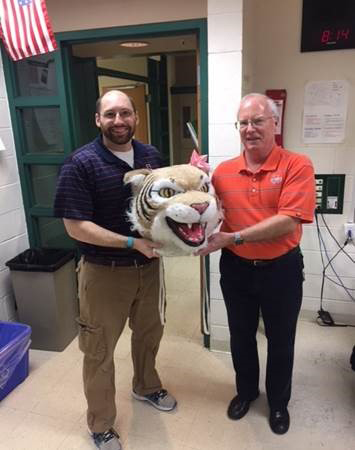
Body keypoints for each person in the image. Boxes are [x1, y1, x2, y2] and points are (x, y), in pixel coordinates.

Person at [54, 90, 176, 450]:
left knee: (149, 332)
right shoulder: (81, 163)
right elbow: (75, 226)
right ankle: (101, 424)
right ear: (98, 120)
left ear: (136, 117)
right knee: (99, 350)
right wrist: (129, 243)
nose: (118, 121)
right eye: (110, 115)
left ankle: (146, 385)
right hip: (103, 273)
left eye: (125, 113)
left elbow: (164, 203)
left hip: (148, 269)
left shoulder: (152, 156)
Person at [198, 93, 315, 434]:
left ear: (275, 124)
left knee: (281, 339)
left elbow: (289, 220)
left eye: (258, 121)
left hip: (281, 270)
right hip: (236, 271)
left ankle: (278, 403)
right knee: (241, 336)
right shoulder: (223, 172)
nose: (249, 129)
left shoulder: (296, 165)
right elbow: (208, 210)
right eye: (244, 123)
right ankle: (246, 392)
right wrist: (197, 179)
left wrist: (234, 238)